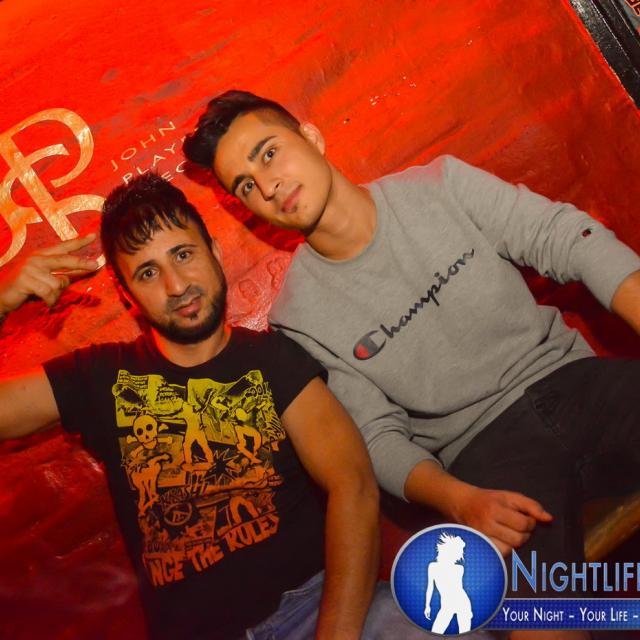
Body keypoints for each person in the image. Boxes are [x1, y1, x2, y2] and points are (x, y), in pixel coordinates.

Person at [183, 90, 640, 594]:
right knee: (543, 616)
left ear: (311, 137)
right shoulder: (297, 318)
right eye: (246, 185)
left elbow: (566, 239)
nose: (267, 185)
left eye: (269, 153)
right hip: (484, 454)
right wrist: (459, 500)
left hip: (573, 382)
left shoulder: (439, 185)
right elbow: (375, 437)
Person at [0, 174, 435, 640]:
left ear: (213, 250)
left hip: (314, 608)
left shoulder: (273, 358)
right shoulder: (99, 377)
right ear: (127, 294)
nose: (176, 285)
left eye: (182, 255)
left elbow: (353, 484)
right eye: (147, 273)